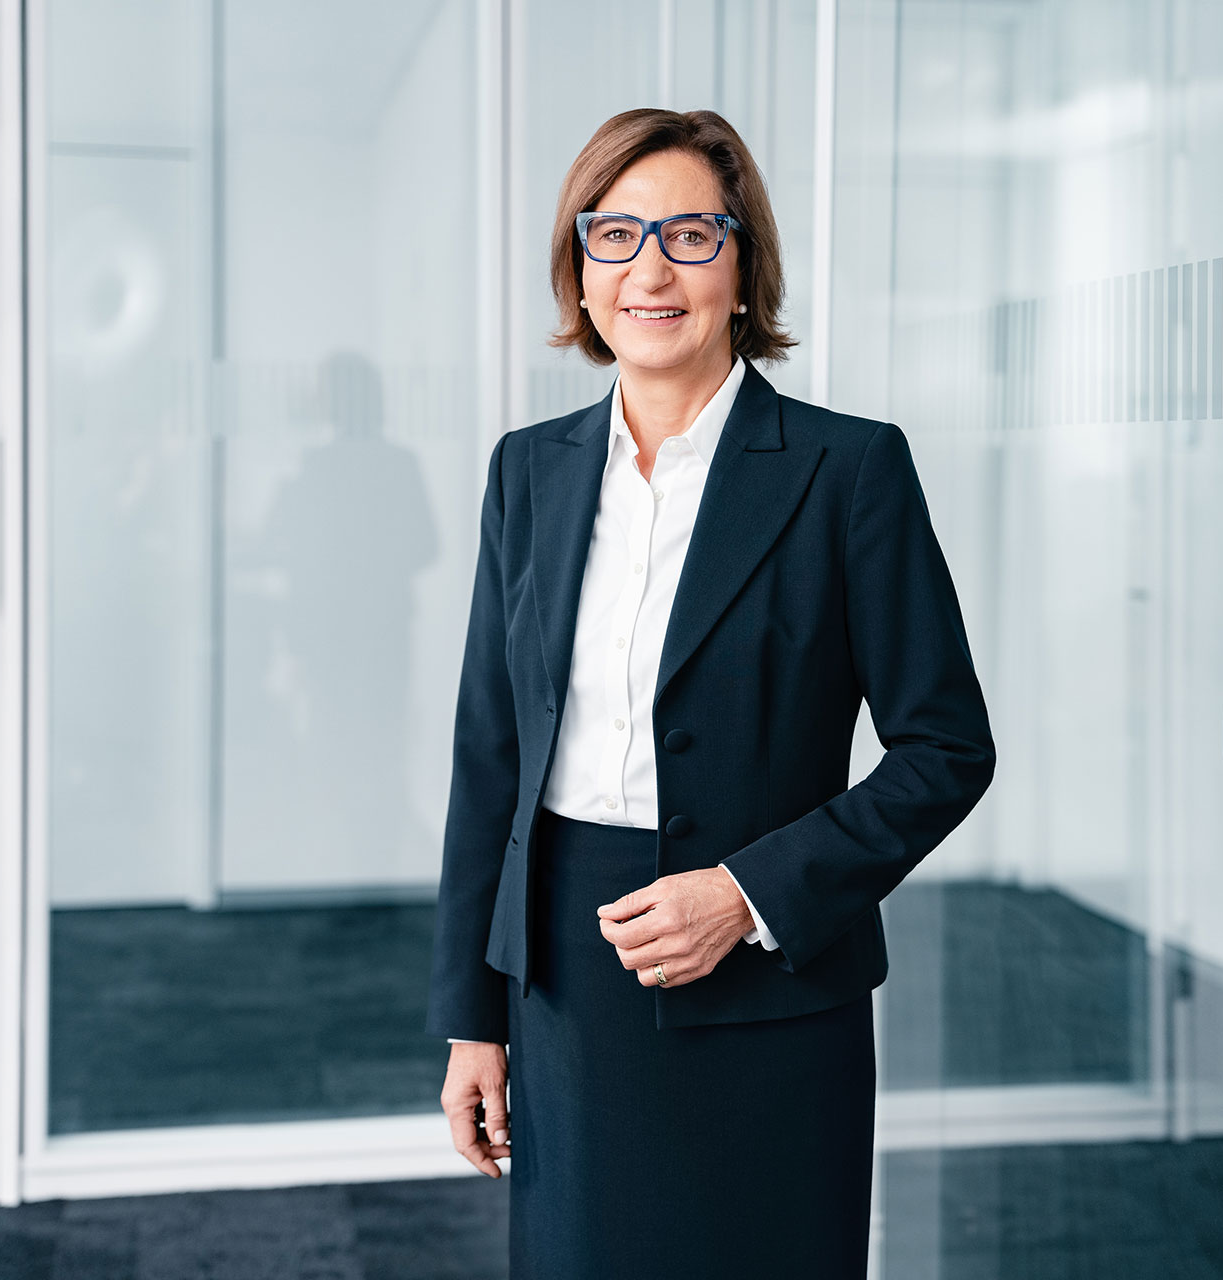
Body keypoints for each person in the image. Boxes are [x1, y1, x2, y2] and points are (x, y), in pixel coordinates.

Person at [425, 107, 996, 1278]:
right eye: (616, 234)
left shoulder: (849, 470)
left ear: (743, 271)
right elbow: (493, 757)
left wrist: (745, 894)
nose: (650, 268)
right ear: (579, 273)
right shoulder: (525, 473)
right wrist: (473, 1014)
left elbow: (946, 746)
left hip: (771, 985)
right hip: (572, 977)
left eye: (690, 235)